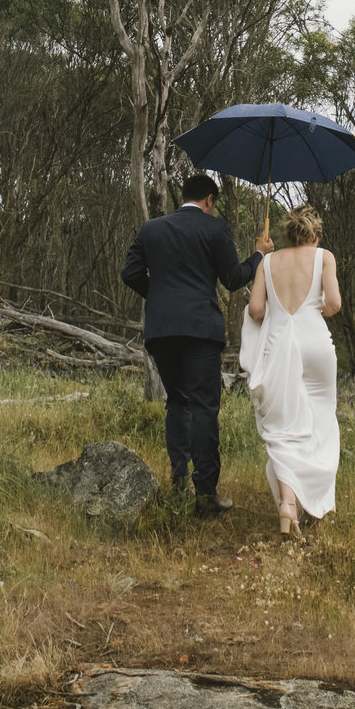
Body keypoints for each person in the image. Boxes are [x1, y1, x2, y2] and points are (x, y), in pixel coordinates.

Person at [122, 173, 272, 515]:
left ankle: (177, 483)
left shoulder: (151, 229)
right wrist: (258, 255)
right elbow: (233, 278)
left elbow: (129, 273)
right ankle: (206, 495)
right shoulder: (215, 229)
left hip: (161, 331)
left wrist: (159, 297)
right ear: (209, 200)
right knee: (205, 407)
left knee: (177, 402)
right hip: (201, 330)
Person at [241, 202, 342, 537]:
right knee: (320, 421)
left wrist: (266, 266)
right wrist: (315, 311)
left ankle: (288, 505)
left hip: (278, 348)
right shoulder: (324, 256)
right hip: (315, 345)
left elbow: (256, 309)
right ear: (314, 233)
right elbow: (334, 303)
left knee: (283, 426)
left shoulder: (268, 262)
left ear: (286, 233)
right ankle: (314, 500)